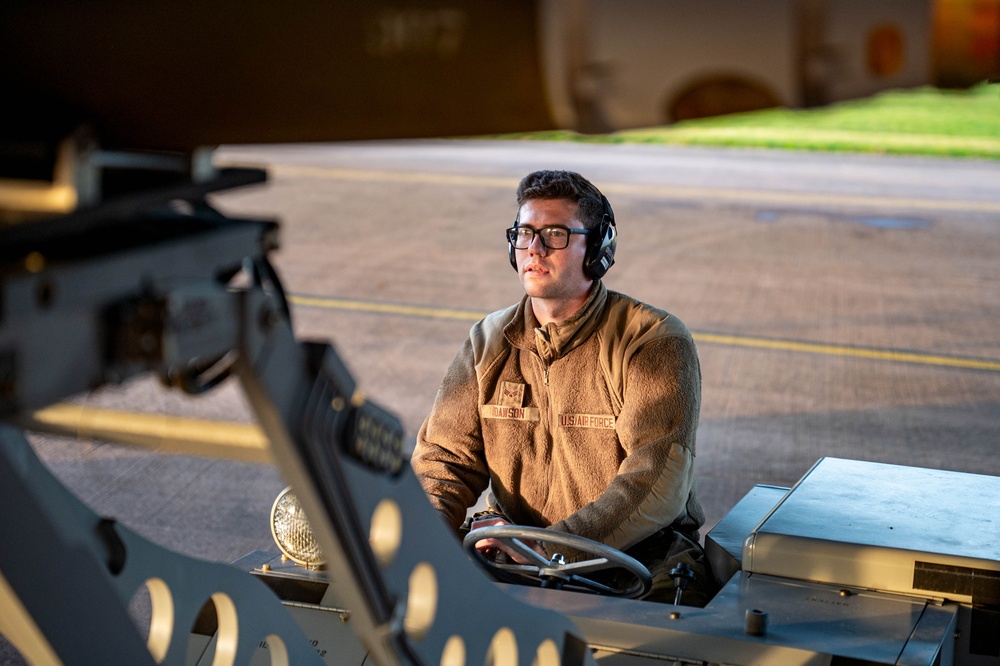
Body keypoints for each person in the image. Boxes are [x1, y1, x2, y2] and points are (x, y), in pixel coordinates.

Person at [411, 170, 712, 605]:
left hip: (633, 557)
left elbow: (656, 482)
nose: (533, 248)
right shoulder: (487, 341)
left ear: (597, 249)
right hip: (511, 545)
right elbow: (444, 460)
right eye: (524, 234)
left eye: (554, 234)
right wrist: (426, 543)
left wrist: (546, 547)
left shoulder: (652, 340)